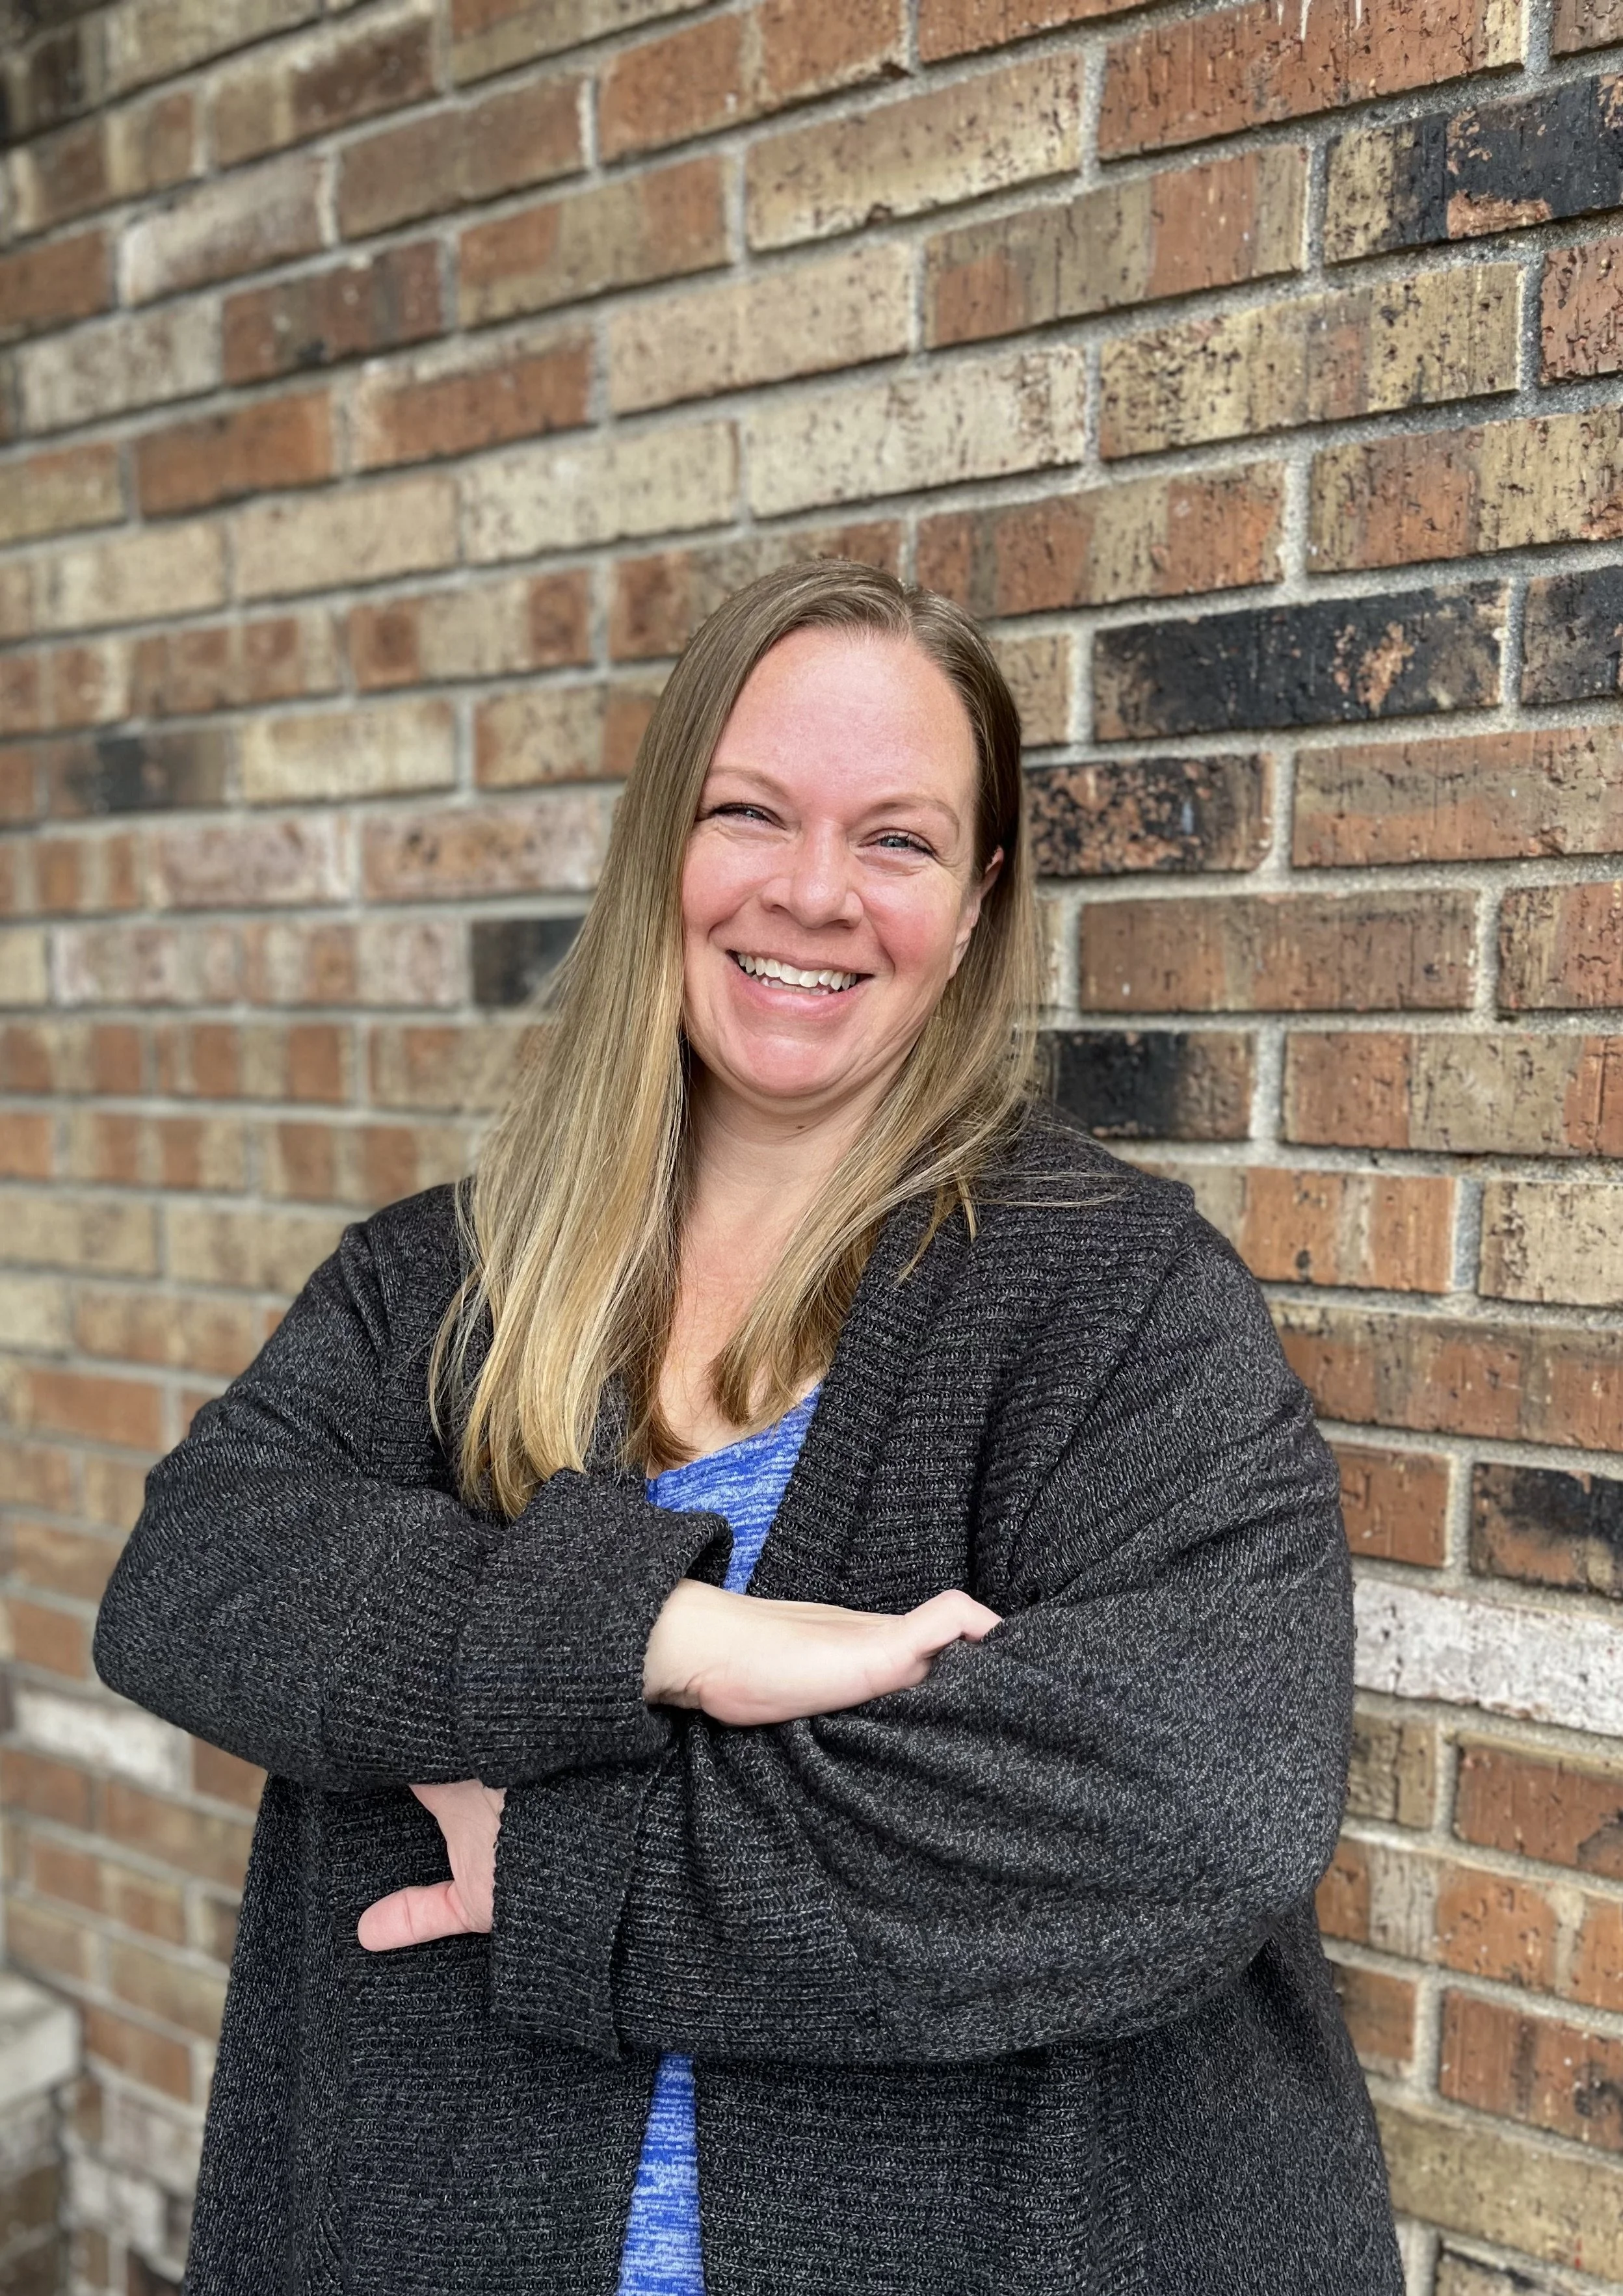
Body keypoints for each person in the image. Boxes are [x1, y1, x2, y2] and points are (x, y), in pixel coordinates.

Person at [93, 559, 1403, 2296]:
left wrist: (569, 1861)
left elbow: (1194, 1804)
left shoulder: (1121, 1303)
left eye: (897, 840)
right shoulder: (443, 1286)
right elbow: (197, 1580)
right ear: (665, 846)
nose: (814, 892)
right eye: (752, 813)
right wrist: (668, 1636)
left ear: (977, 900)